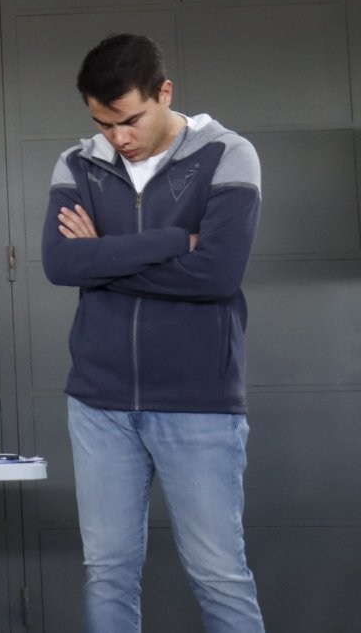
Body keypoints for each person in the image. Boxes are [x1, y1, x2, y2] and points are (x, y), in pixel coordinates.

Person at [42, 33, 265, 632]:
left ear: (165, 92)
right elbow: (62, 266)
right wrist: (171, 243)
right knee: (107, 572)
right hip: (99, 404)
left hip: (199, 402)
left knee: (219, 574)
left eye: (129, 119)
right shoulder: (78, 162)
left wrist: (105, 259)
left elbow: (217, 274)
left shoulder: (228, 155)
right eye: (103, 122)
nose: (118, 137)